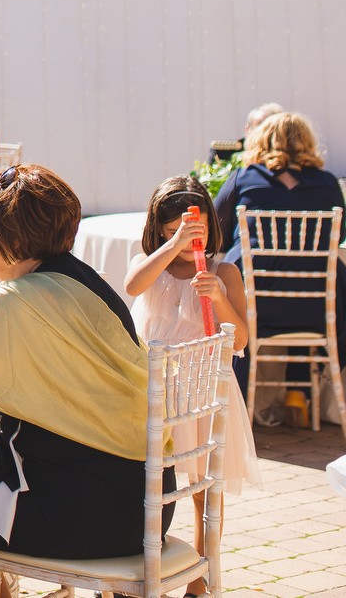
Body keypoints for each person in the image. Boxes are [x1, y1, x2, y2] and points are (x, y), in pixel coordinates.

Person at [0, 165, 151, 598]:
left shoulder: (12, 303)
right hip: (147, 502)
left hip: (83, 511)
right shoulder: (87, 282)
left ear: (11, 238)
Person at [123, 176, 259, 507]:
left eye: (196, 234)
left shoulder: (224, 272)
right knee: (152, 478)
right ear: (158, 232)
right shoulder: (148, 265)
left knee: (205, 486)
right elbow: (132, 286)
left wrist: (218, 299)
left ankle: (206, 554)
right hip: (154, 386)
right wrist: (172, 246)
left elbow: (239, 339)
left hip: (202, 388)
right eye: (174, 234)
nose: (187, 244)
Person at [220, 111, 346, 382]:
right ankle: (301, 392)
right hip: (315, 307)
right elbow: (338, 236)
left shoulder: (244, 178)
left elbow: (218, 232)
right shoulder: (327, 182)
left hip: (251, 303)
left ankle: (236, 392)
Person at [213, 102, 286, 245]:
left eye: (270, 128)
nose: (265, 134)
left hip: (250, 261)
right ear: (247, 129)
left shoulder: (242, 178)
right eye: (260, 126)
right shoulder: (226, 153)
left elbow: (218, 230)